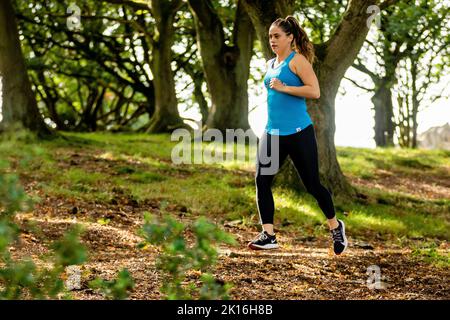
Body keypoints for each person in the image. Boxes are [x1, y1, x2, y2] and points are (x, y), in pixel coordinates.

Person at [248, 16, 348, 255]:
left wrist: (285, 88)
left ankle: (335, 226)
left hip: (298, 132)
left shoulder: (298, 61)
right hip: (272, 132)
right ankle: (269, 235)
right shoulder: (270, 63)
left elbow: (314, 91)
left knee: (312, 185)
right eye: (270, 36)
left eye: (277, 36)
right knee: (262, 180)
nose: (272, 40)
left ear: (290, 37)